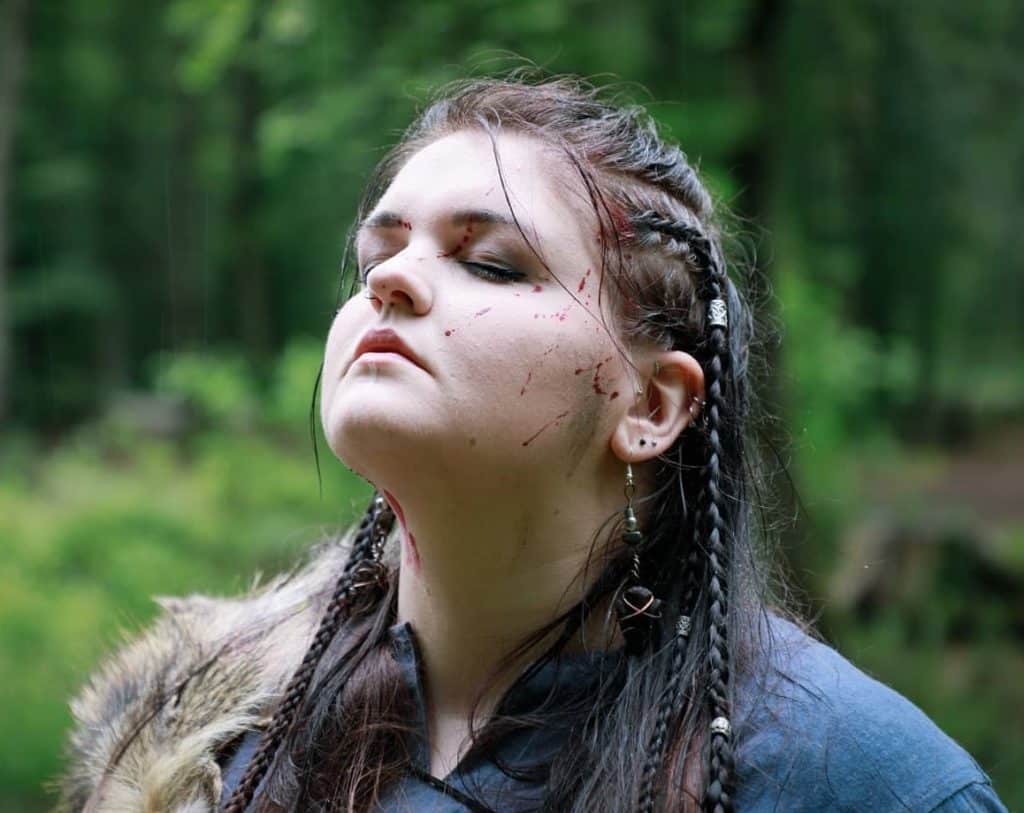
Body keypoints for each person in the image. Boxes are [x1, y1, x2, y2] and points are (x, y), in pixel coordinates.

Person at [57, 74, 1007, 813]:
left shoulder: (859, 778)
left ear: (652, 404)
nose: (393, 283)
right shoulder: (204, 742)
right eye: (377, 257)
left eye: (490, 263)